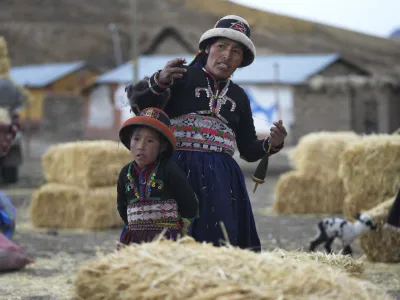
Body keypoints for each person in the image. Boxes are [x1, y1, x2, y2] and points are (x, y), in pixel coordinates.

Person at [125, 15, 288, 252]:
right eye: (221, 46)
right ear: (206, 48)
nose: (227, 56)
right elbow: (139, 105)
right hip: (175, 172)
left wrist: (272, 144)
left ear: (241, 60)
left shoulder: (239, 97)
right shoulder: (179, 77)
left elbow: (249, 151)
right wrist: (159, 81)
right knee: (170, 240)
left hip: (221, 181)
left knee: (218, 242)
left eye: (236, 52)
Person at [117, 107, 198, 246]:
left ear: (162, 147)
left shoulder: (169, 170)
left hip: (165, 239)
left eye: (150, 141)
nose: (141, 146)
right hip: (134, 239)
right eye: (136, 139)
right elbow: (121, 206)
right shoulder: (125, 173)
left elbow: (189, 205)